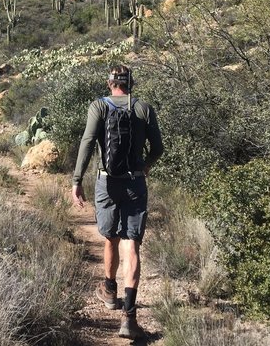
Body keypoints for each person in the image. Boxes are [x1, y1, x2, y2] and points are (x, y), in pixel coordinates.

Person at [71, 64, 164, 340]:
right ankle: (129, 318)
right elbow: (158, 148)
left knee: (110, 237)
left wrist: (77, 181)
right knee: (131, 243)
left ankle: (110, 291)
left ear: (110, 83)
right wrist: (145, 167)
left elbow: (88, 143)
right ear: (130, 82)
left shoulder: (98, 107)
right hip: (135, 181)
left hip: (106, 182)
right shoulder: (144, 108)